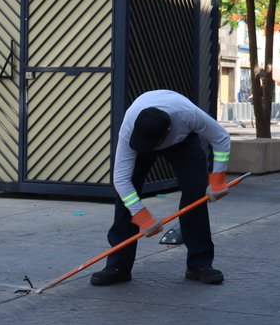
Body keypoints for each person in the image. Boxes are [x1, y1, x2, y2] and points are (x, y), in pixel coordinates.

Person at [91, 90, 231, 287]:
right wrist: (141, 216)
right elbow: (121, 180)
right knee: (125, 198)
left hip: (182, 141)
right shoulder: (130, 127)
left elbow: (221, 138)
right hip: (141, 138)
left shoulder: (187, 115)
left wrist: (217, 180)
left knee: (195, 193)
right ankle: (118, 266)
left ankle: (199, 265)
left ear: (167, 133)